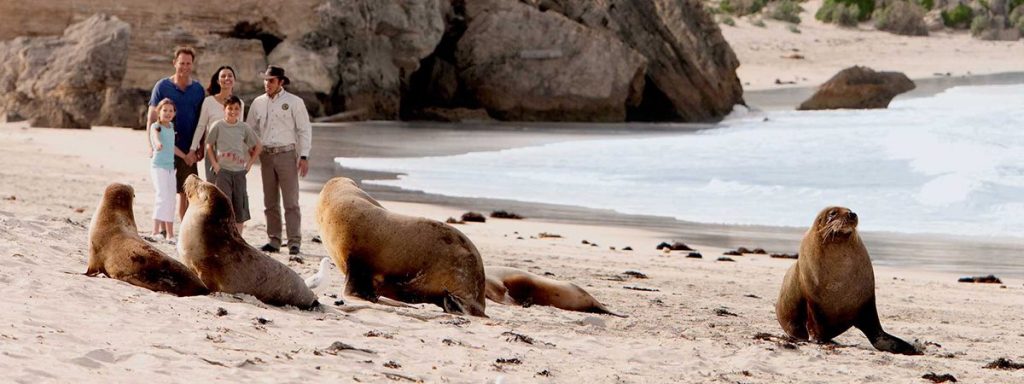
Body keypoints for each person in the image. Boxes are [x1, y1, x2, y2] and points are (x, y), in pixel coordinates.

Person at [247, 66, 312, 255]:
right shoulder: (258, 103)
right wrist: (251, 150)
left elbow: (304, 130)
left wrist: (304, 156)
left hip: (287, 154)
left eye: (271, 80)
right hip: (266, 155)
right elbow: (250, 129)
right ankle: (273, 240)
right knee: (270, 201)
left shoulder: (294, 102)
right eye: (266, 80)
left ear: (281, 82)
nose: (267, 84)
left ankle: (294, 242)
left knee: (291, 201)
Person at [147, 46, 205, 221]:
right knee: (165, 190)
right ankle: (164, 228)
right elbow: (151, 119)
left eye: (188, 63)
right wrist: (151, 146)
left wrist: (200, 146)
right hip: (164, 148)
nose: (185, 66)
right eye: (182, 63)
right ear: (174, 63)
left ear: (192, 65)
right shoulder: (162, 86)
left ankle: (184, 227)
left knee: (187, 191)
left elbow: (202, 122)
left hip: (188, 149)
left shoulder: (198, 90)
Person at [206, 95, 262, 234]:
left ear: (240, 110)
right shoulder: (218, 126)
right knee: (223, 205)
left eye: (236, 109)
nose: (233, 111)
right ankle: (223, 236)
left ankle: (238, 237)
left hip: (239, 173)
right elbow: (209, 145)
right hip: (223, 171)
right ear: (224, 109)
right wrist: (215, 164)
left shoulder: (243, 127)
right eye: (230, 108)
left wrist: (249, 164)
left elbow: (258, 146)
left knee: (239, 205)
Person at [192, 65, 244, 183]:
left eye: (230, 76)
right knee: (213, 189)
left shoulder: (240, 103)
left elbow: (240, 131)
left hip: (232, 154)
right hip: (212, 152)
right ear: (217, 81)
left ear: (234, 80)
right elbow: (201, 127)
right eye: (223, 76)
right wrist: (192, 149)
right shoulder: (208, 101)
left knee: (230, 191)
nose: (227, 78)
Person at [149, 98, 181, 243]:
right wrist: (157, 143)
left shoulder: (171, 127)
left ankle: (170, 234)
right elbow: (155, 138)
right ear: (159, 112)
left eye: (170, 111)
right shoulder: (156, 126)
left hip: (170, 168)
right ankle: (155, 231)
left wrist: (185, 156)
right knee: (161, 196)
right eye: (164, 110)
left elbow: (172, 147)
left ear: (174, 113)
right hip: (158, 166)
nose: (167, 113)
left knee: (171, 199)